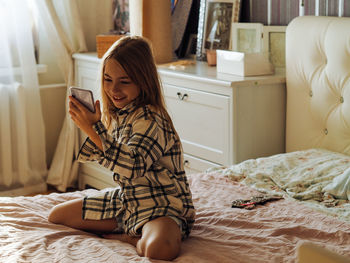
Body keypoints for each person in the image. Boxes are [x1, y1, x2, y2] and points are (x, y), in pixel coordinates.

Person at [48, 36, 195, 261]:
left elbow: (133, 166)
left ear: (143, 81)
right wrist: (93, 127)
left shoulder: (151, 119)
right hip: (129, 201)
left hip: (163, 206)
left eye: (124, 81)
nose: (113, 89)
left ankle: (132, 238)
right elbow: (107, 156)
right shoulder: (121, 114)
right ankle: (132, 229)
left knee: (159, 250)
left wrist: (93, 129)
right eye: (108, 79)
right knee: (57, 216)